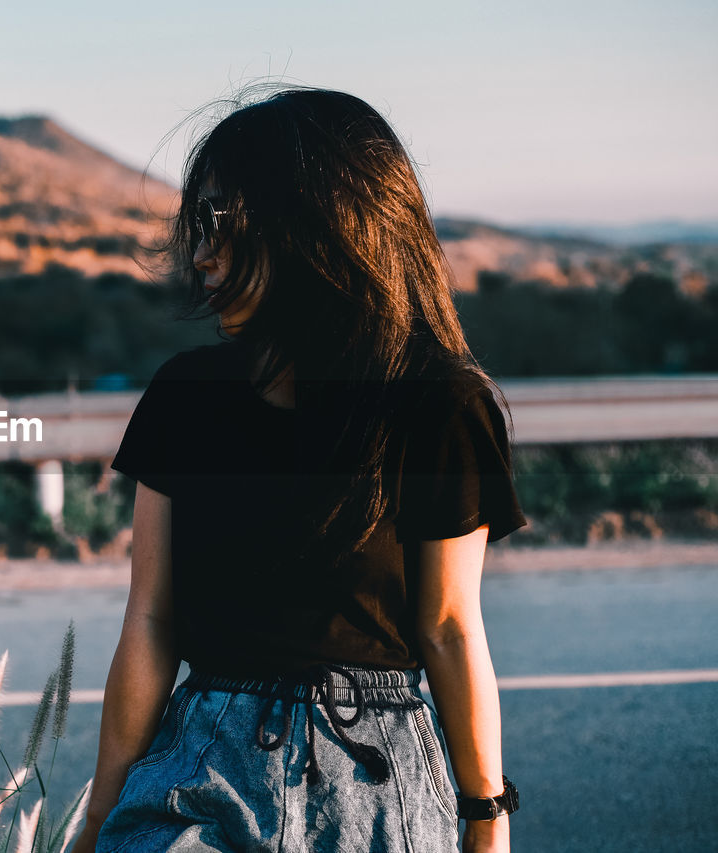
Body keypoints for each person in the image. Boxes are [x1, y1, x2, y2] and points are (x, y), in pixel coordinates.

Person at [71, 87, 527, 853]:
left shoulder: (439, 404)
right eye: (198, 223)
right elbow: (149, 621)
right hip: (201, 772)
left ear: (315, 225)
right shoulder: (187, 394)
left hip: (377, 790)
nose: (201, 252)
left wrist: (487, 819)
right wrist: (98, 821)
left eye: (220, 221)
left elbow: (449, 626)